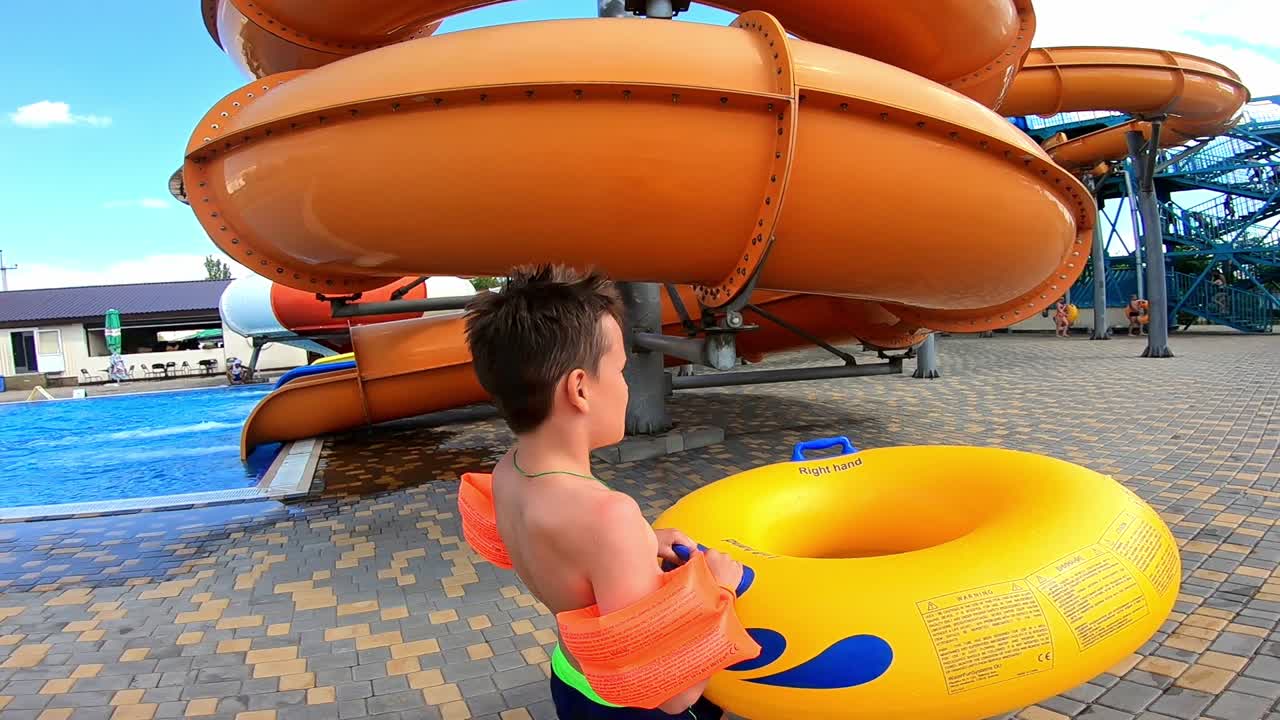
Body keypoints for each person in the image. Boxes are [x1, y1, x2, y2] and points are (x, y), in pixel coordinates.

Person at [463, 264, 743, 719]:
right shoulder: (609, 516)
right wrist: (718, 591)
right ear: (580, 389)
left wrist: (643, 545)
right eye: (620, 370)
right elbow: (670, 696)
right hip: (626, 708)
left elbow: (563, 553)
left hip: (571, 681)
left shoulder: (508, 472)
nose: (628, 385)